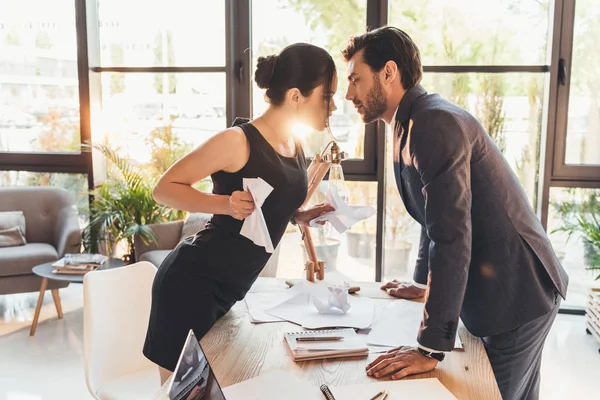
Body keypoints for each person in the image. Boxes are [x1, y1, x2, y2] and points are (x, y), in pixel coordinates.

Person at [341, 27, 568, 400]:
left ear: (389, 72)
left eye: (355, 79)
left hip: (517, 292)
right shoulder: (410, 122)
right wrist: (422, 282)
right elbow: (435, 218)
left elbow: (452, 236)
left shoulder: (432, 123)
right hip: (502, 288)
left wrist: (430, 348)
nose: (349, 93)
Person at [143, 42, 338, 385]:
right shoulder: (238, 140)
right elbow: (164, 188)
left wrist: (300, 216)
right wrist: (224, 203)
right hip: (190, 285)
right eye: (327, 96)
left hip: (229, 289)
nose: (333, 105)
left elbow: (273, 203)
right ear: (296, 96)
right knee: (188, 394)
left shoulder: (295, 145)